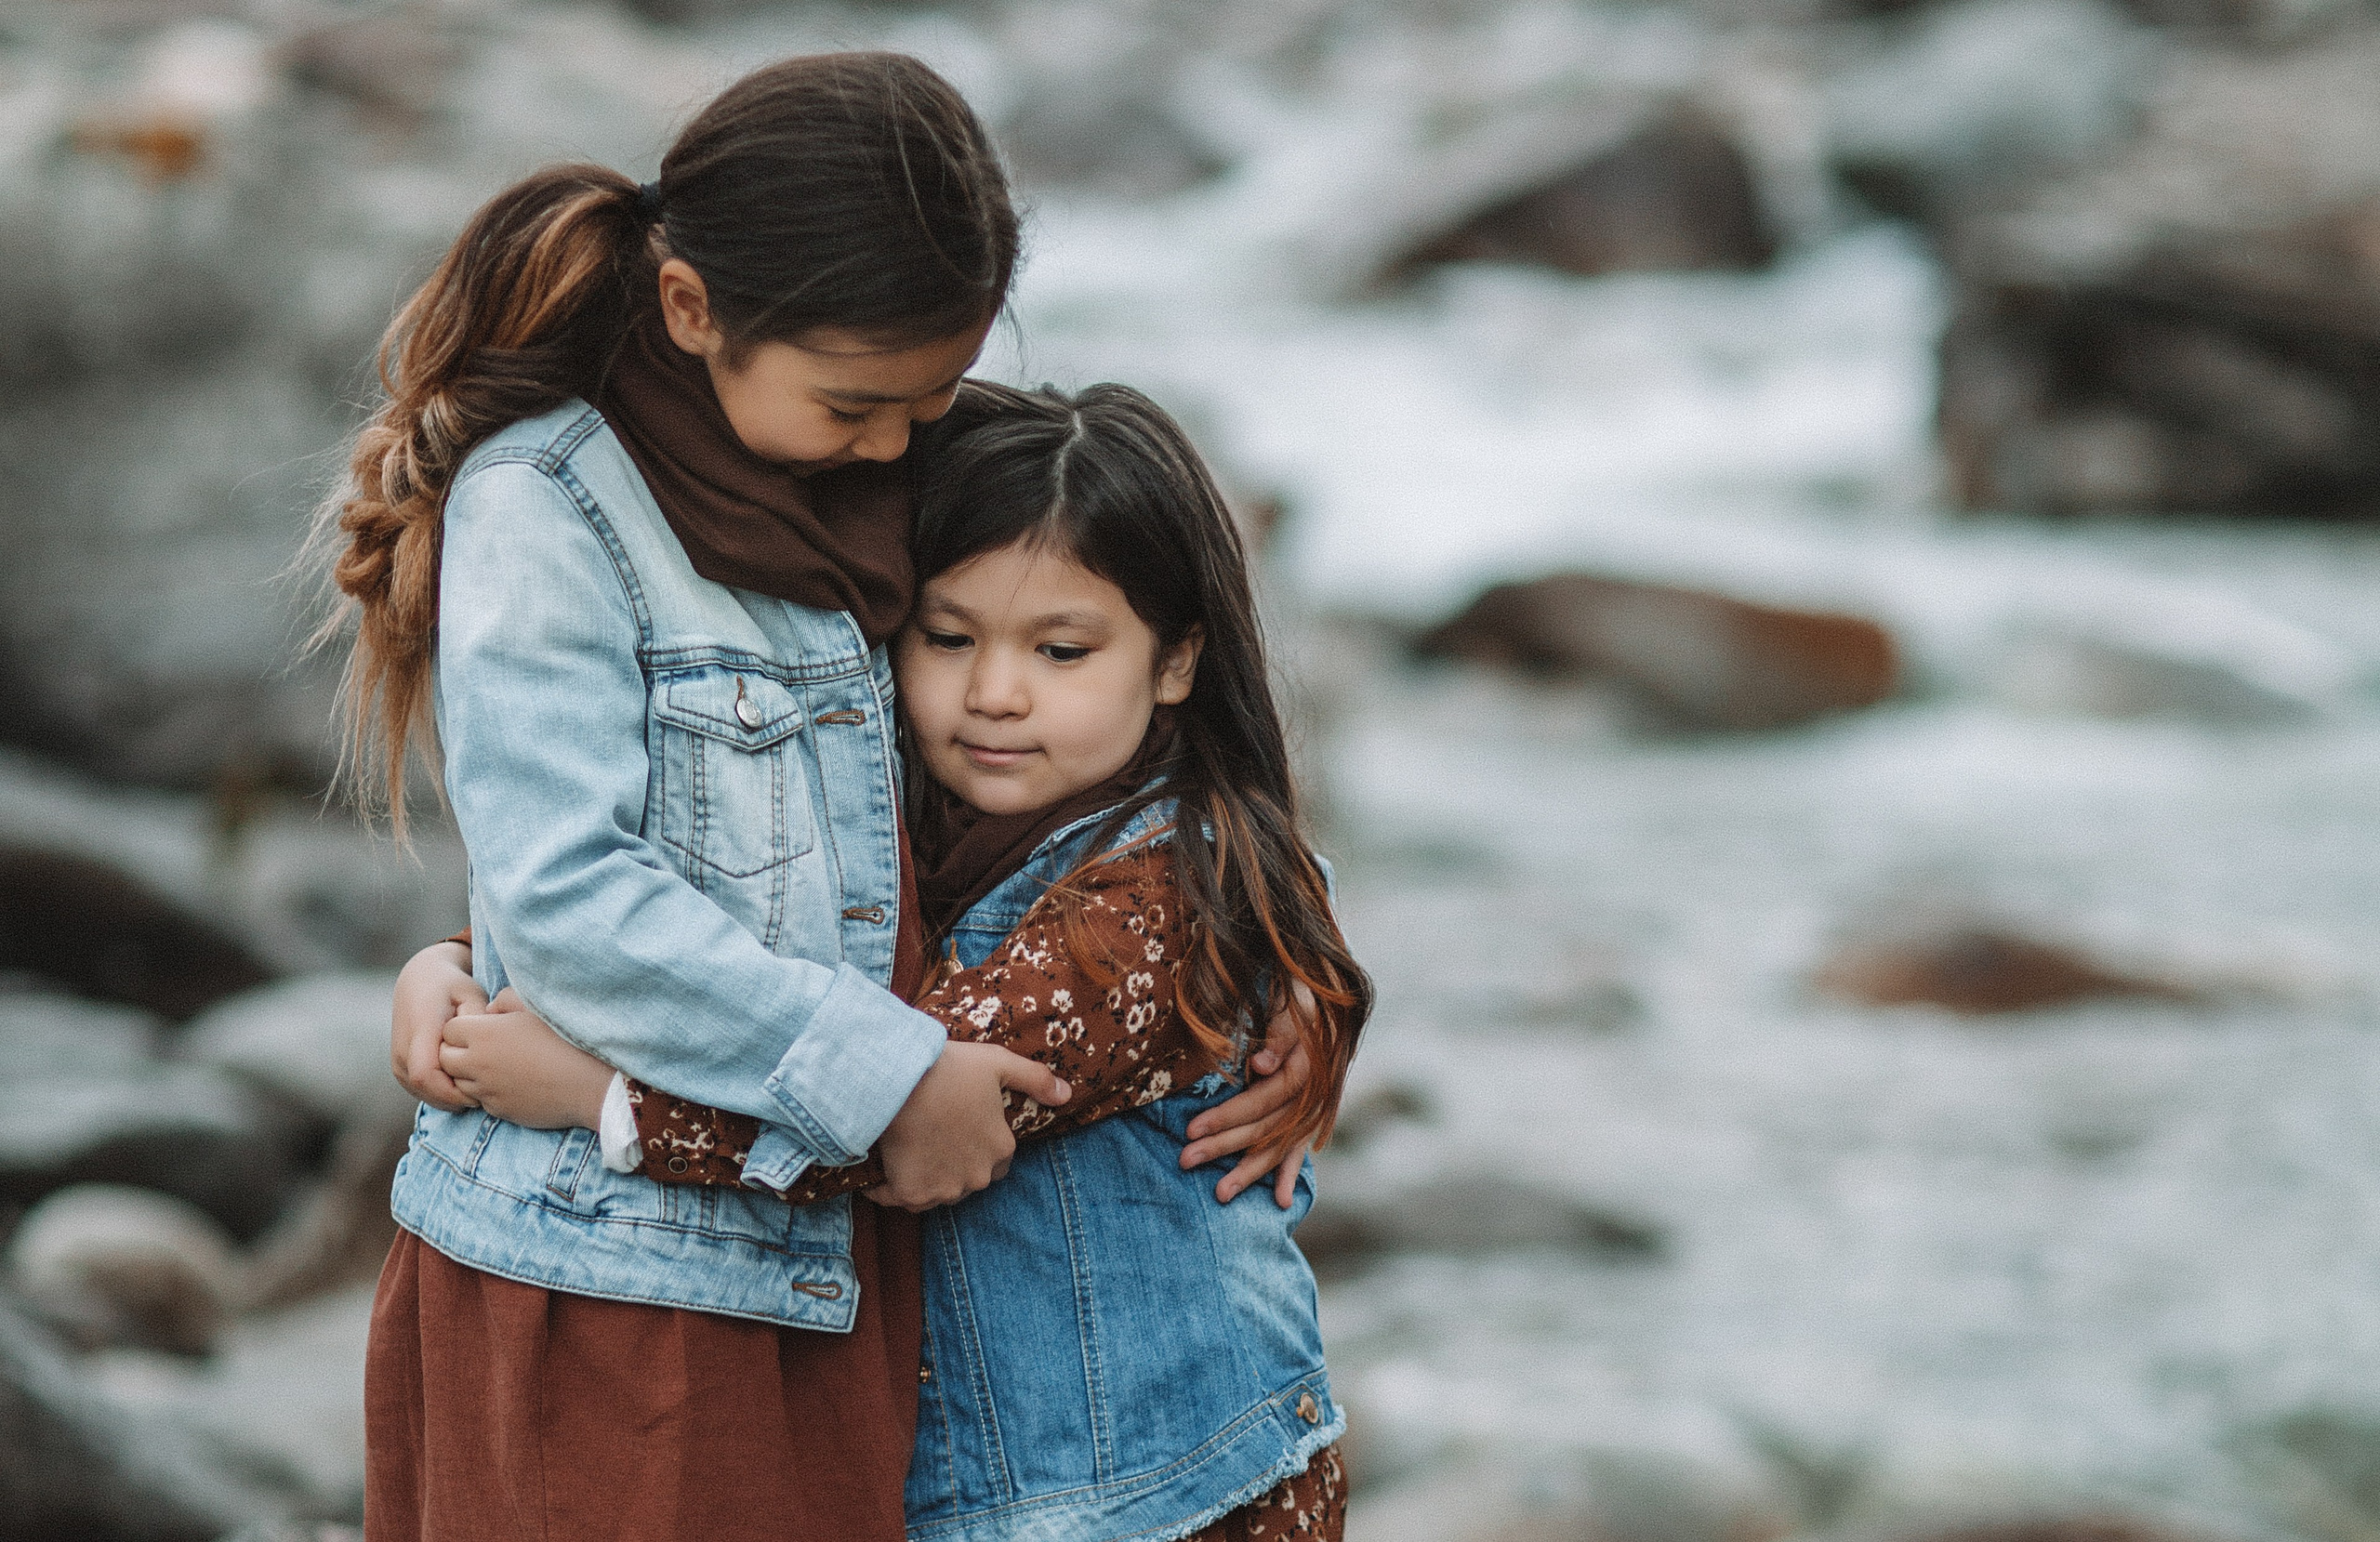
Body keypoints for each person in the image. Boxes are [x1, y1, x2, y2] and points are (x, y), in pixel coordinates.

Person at [322, 54, 1304, 1541]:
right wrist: (474, 967)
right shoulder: (556, 508)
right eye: (864, 402)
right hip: (612, 1272)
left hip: (811, 1289)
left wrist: (1295, 980)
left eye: (930, 396)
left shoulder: (874, 460)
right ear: (691, 309)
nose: (903, 445)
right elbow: (571, 883)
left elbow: (858, 852)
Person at [401, 383, 1371, 1541]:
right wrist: (465, 958)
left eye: (1062, 651)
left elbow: (896, 1109)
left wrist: (600, 1098)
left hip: (1169, 1499)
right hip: (1003, 1490)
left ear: (1175, 663)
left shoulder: (1166, 898)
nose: (995, 694)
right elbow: (736, 912)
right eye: (947, 638)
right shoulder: (905, 817)